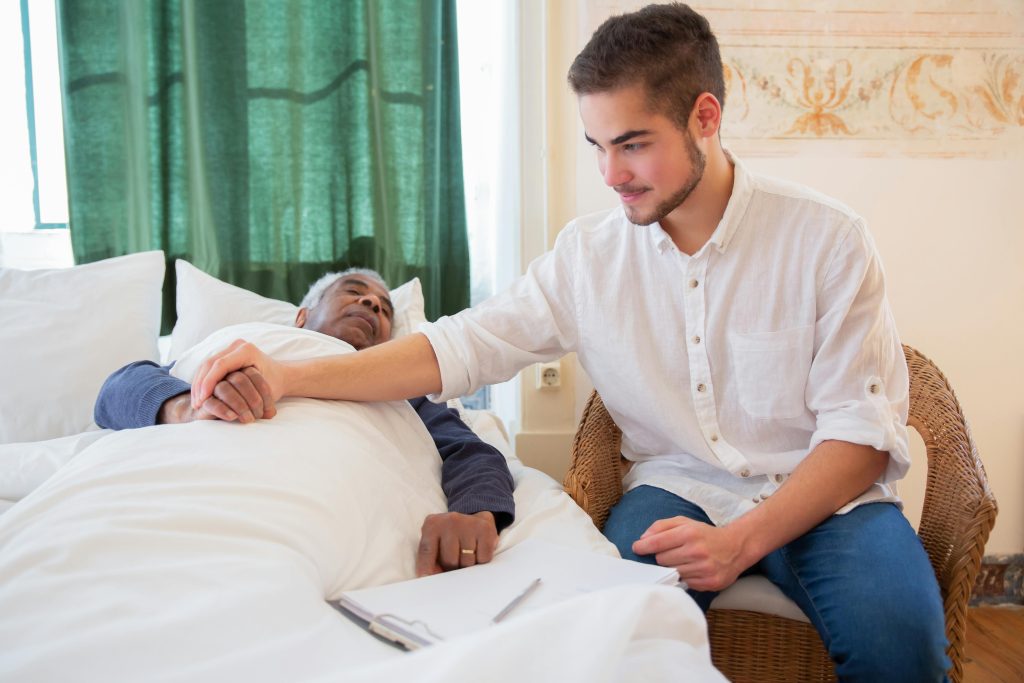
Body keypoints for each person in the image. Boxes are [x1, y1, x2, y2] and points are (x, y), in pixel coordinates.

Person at [188, 4, 949, 680]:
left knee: (904, 647)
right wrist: (291, 374)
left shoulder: (828, 239)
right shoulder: (589, 257)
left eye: (633, 144)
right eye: (595, 145)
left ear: (706, 117)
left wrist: (743, 539)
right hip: (675, 489)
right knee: (599, 646)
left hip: (830, 499)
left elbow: (859, 438)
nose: (610, 174)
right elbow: (459, 347)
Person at [93, 268, 515, 578]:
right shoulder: (243, 343)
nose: (371, 304)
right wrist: (185, 406)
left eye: (385, 308)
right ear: (300, 317)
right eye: (354, 292)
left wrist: (476, 513)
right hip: (190, 483)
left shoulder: (404, 391)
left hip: (320, 509)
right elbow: (116, 391)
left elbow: (470, 451)